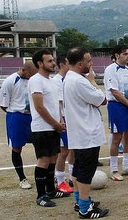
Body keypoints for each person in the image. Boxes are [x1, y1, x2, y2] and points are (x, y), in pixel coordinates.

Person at [63, 47, 109, 218]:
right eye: (89, 61)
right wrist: (92, 81)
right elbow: (102, 99)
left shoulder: (70, 77)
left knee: (78, 168)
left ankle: (80, 200)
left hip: (79, 132)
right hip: (86, 132)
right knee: (85, 171)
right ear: (80, 63)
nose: (91, 64)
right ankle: (85, 208)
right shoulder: (80, 81)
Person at [29, 49, 70, 207]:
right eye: (49, 61)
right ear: (40, 63)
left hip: (54, 126)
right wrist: (55, 123)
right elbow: (39, 107)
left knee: (53, 158)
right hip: (42, 127)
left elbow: (55, 105)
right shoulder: (36, 80)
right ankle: (41, 196)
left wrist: (60, 122)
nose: (53, 63)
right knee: (44, 160)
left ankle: (51, 190)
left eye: (53, 60)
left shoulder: (51, 81)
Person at [103, 44, 128, 180]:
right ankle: (114, 169)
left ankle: (126, 166)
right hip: (117, 106)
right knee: (117, 137)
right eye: (125, 54)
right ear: (117, 55)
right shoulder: (110, 70)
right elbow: (115, 91)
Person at [0, 61, 37, 189]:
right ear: (24, 70)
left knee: (40, 144)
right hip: (16, 116)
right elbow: (3, 104)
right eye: (30, 74)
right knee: (17, 148)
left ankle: (44, 174)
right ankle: (22, 178)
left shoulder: (34, 80)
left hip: (33, 117)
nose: (31, 77)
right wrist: (16, 113)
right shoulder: (10, 81)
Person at [51, 55, 74, 193]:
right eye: (68, 63)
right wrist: (61, 120)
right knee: (63, 150)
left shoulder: (70, 78)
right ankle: (60, 180)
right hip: (64, 118)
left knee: (74, 149)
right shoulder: (57, 81)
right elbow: (58, 103)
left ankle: (72, 176)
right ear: (62, 64)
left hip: (72, 118)